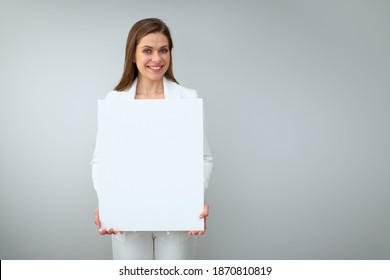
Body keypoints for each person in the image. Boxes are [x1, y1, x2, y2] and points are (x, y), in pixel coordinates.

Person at [90, 18, 213, 260]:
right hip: (127, 217)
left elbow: (204, 157)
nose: (157, 59)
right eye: (148, 50)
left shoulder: (188, 99)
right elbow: (100, 161)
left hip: (177, 219)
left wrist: (195, 197)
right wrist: (106, 202)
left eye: (163, 50)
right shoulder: (114, 102)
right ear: (133, 56)